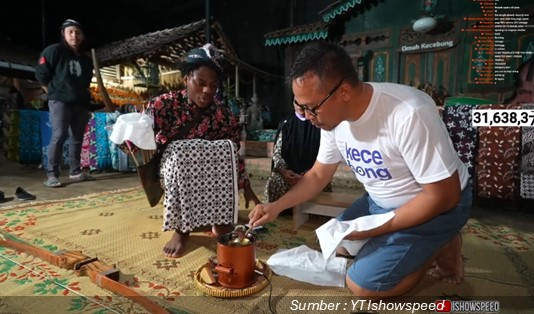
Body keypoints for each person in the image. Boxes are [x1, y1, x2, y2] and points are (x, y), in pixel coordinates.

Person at [248, 42, 472, 299]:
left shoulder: (408, 113)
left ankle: (439, 245)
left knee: (363, 285)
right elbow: (319, 175)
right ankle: (414, 244)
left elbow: (445, 196)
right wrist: (276, 206)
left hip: (436, 207)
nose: (307, 116)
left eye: (310, 107)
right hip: (379, 201)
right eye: (300, 108)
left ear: (343, 92)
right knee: (335, 245)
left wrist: (372, 229)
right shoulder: (332, 121)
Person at [144, 43, 260, 258]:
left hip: (210, 176)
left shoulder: (223, 115)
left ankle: (222, 219)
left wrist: (246, 186)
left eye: (214, 85)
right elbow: (141, 138)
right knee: (186, 152)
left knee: (223, 149)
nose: (207, 91)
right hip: (173, 172)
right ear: (186, 79)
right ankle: (182, 229)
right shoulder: (162, 106)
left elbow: (234, 152)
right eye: (201, 83)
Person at [35, 19, 94, 188]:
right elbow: (41, 74)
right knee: (59, 135)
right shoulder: (54, 51)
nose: (74, 35)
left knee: (77, 138)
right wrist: (53, 94)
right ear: (64, 33)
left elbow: (86, 81)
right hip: (60, 101)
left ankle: (75, 171)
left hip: (81, 102)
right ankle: (52, 174)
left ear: (82, 36)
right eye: (70, 32)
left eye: (78, 32)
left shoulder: (85, 58)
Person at [264, 107, 331, 205]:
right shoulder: (287, 124)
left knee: (317, 184)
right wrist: (284, 171)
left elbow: (326, 157)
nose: (300, 107)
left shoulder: (321, 126)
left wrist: (307, 175)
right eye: (297, 102)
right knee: (276, 181)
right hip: (288, 175)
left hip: (314, 173)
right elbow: (278, 154)